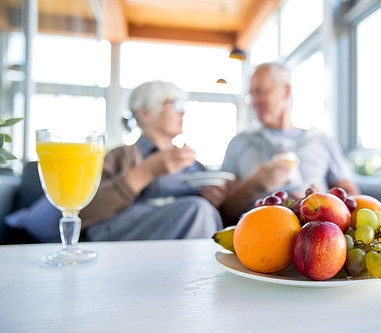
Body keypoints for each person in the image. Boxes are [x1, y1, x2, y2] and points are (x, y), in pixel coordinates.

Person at [4, 80, 226, 242]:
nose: (183, 113)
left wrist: (214, 197)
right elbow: (86, 208)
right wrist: (146, 171)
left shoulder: (193, 161)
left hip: (176, 234)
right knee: (198, 210)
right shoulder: (121, 155)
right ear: (146, 113)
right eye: (175, 105)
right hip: (118, 231)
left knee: (202, 209)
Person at [219, 62, 360, 224]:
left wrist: (320, 200)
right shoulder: (239, 143)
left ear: (285, 92)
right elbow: (223, 213)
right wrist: (253, 185)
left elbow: (352, 196)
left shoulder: (322, 140)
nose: (254, 101)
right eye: (251, 94)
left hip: (317, 234)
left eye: (261, 91)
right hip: (256, 235)